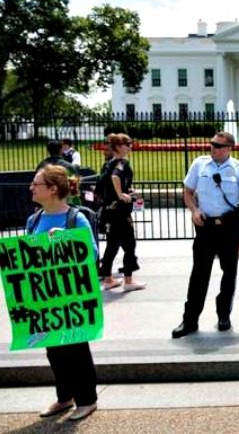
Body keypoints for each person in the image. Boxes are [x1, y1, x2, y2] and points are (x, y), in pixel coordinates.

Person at [27, 165, 98, 421]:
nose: (31, 188)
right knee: (53, 349)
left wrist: (66, 238)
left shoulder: (75, 219)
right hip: (45, 296)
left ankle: (87, 399)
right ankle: (64, 397)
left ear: (53, 189)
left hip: (71, 296)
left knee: (76, 347)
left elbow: (92, 255)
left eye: (37, 184)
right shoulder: (33, 220)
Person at [172, 132, 239, 338]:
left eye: (218, 145)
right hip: (206, 227)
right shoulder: (200, 164)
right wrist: (194, 210)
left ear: (229, 148)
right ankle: (190, 319)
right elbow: (188, 192)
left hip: (229, 227)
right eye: (212, 144)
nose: (213, 148)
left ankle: (224, 315)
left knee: (229, 273)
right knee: (199, 274)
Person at [99, 133, 145, 291]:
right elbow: (115, 177)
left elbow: (107, 183)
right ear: (118, 147)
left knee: (112, 245)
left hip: (109, 211)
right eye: (127, 144)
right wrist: (120, 194)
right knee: (130, 244)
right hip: (120, 211)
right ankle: (128, 280)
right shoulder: (121, 163)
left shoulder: (108, 163)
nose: (130, 146)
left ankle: (108, 278)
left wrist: (127, 190)